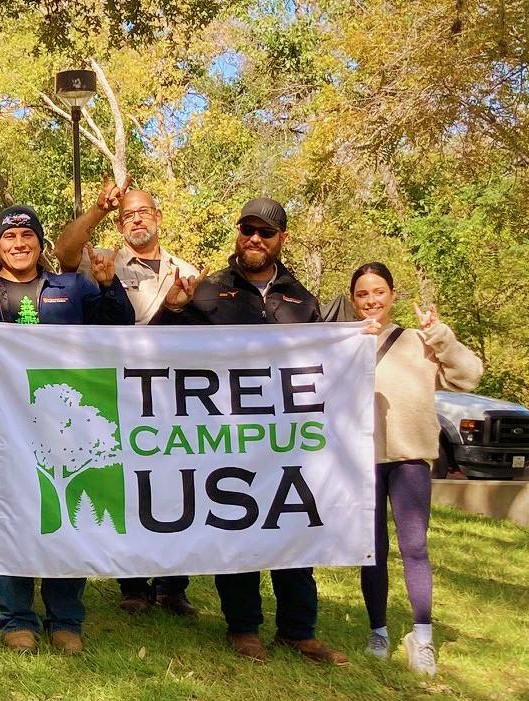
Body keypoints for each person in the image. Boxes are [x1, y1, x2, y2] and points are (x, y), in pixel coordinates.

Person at [0, 205, 134, 654]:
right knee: (11, 521)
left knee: (67, 514)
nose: (18, 245)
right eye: (9, 239)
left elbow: (120, 329)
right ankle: (16, 616)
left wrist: (108, 284)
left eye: (27, 238)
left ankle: (66, 617)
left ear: (40, 245)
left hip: (71, 432)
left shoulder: (75, 288)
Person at [160, 197, 347, 665]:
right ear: (238, 234)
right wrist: (174, 311)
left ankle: (298, 630)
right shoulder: (208, 290)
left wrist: (355, 344)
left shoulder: (302, 299)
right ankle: (243, 628)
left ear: (282, 239)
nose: (254, 240)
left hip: (284, 442)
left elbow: (324, 365)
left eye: (265, 232)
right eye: (247, 230)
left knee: (293, 526)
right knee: (237, 527)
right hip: (225, 436)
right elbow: (158, 352)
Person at [54, 180, 203, 617]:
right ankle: (133, 584)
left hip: (172, 398)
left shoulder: (187, 271)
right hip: (120, 394)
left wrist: (179, 307)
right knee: (131, 484)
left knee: (177, 484)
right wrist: (100, 209)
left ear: (157, 217)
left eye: (143, 212)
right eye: (127, 216)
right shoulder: (103, 261)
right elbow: (64, 250)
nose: (135, 219)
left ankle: (174, 585)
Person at [352, 262, 482, 675]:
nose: (371, 301)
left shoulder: (417, 342)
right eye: (362, 294)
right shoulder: (347, 342)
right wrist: (351, 345)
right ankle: (379, 632)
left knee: (415, 547)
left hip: (409, 459)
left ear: (393, 294)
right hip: (361, 462)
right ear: (353, 300)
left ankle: (421, 636)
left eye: (378, 292)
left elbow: (469, 377)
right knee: (371, 550)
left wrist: (440, 335)